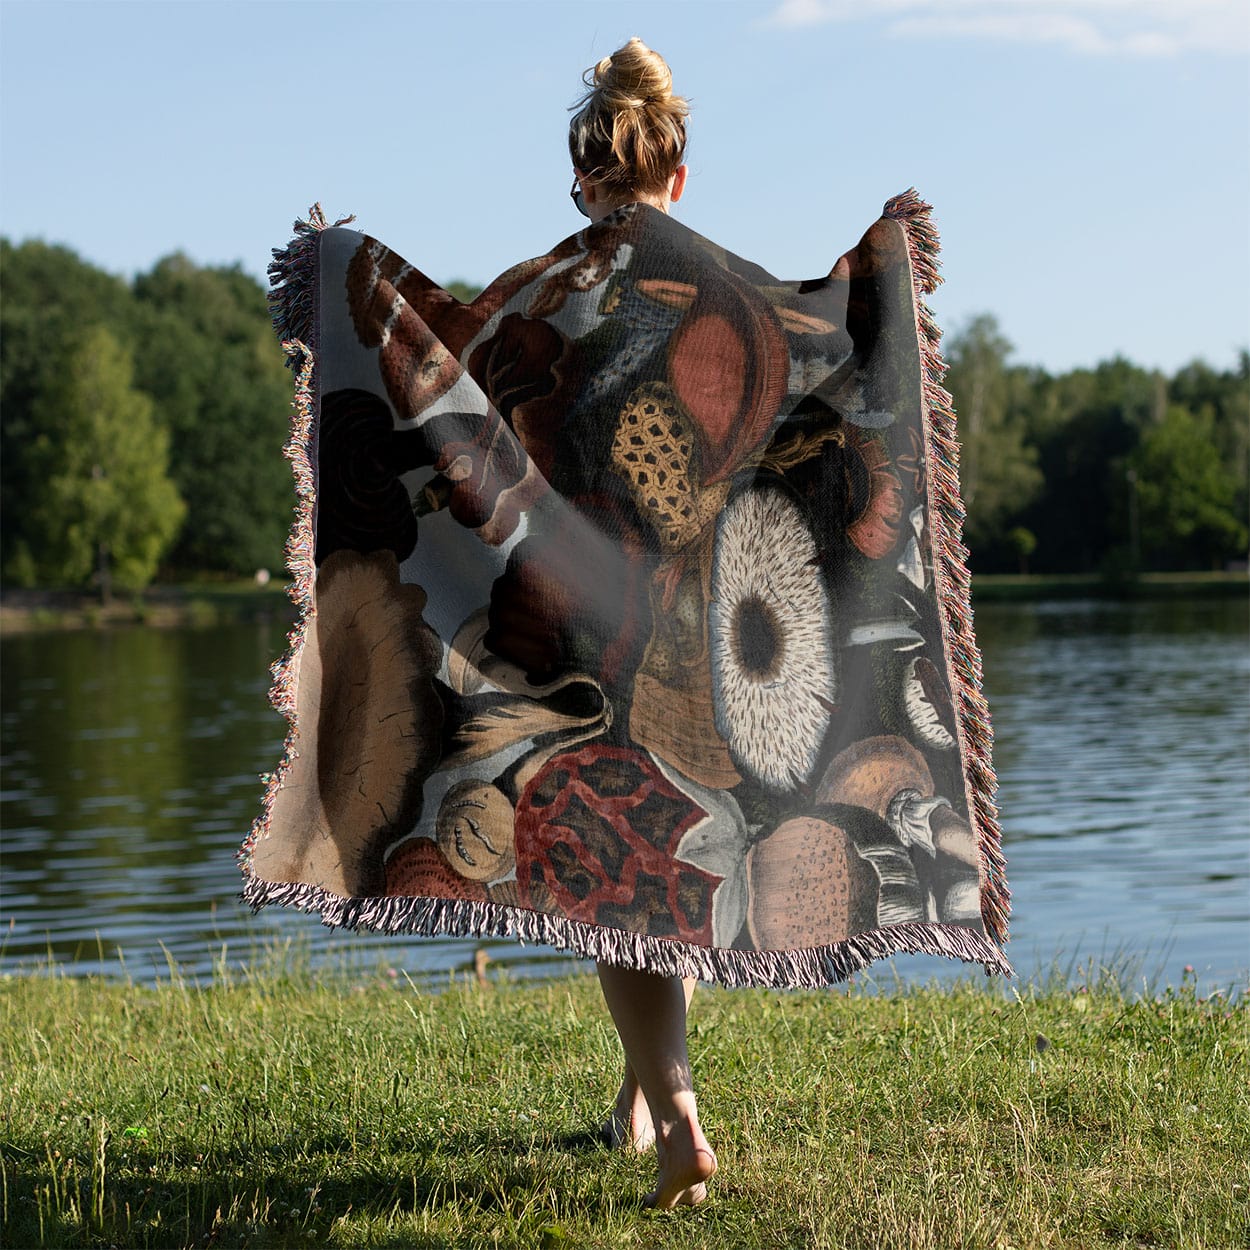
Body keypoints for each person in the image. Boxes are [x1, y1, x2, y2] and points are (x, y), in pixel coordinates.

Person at [566, 36, 717, 1212]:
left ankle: (677, 1117)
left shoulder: (558, 292)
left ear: (587, 183)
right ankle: (634, 1098)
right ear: (676, 174)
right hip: (709, 624)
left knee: (610, 876)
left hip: (596, 620)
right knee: (667, 863)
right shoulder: (731, 292)